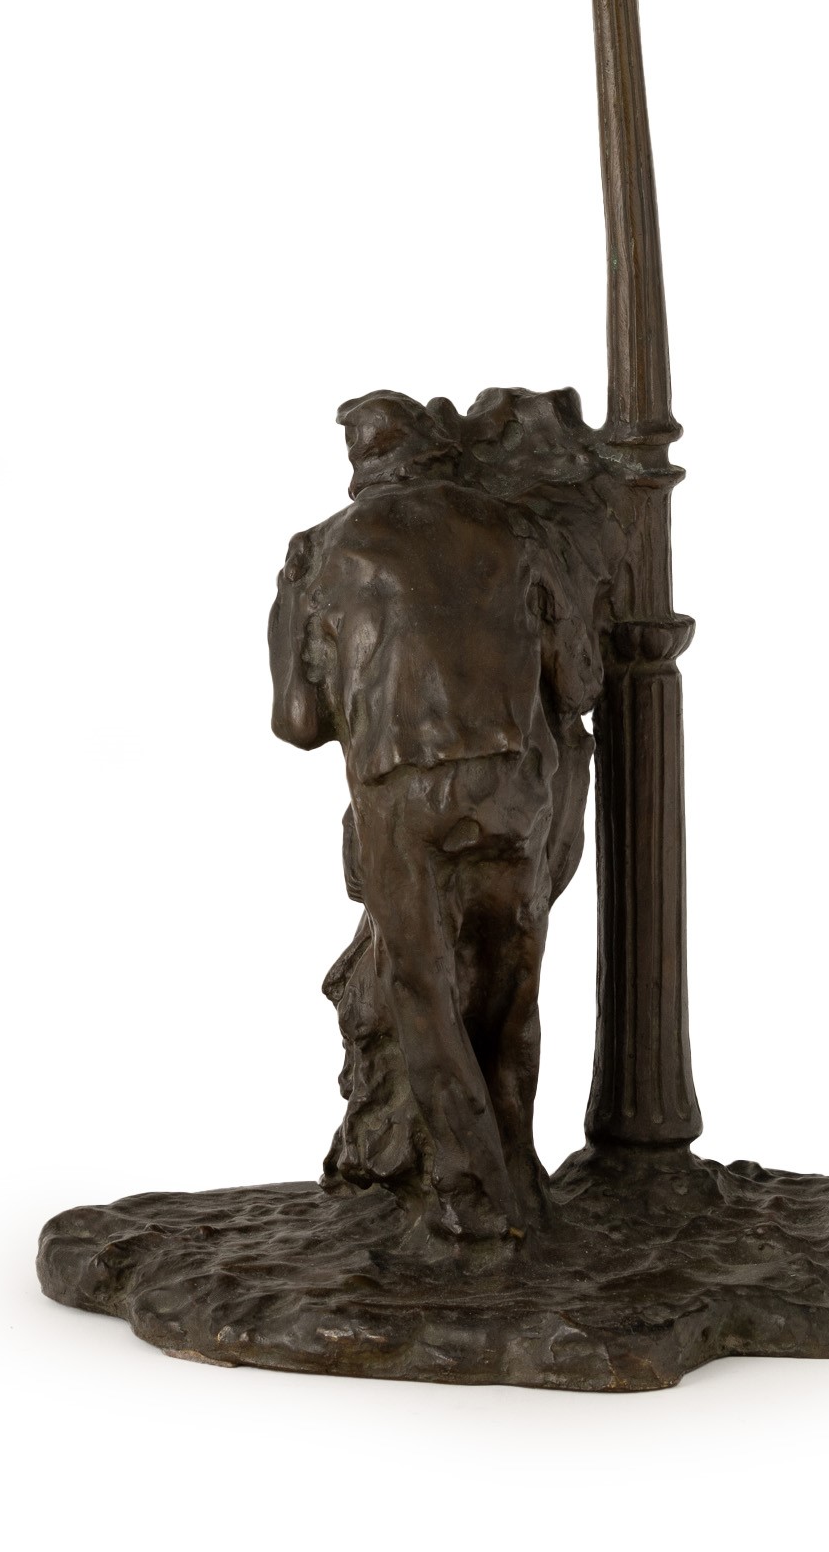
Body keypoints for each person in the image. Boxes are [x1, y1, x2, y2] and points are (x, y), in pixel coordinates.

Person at [270, 389, 619, 1238]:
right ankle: (519, 1174)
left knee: (425, 987)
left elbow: (298, 723)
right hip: (513, 783)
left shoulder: (320, 551)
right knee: (510, 987)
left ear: (361, 466)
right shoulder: (518, 530)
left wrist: (292, 613)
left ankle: (471, 1200)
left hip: (402, 795)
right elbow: (580, 682)